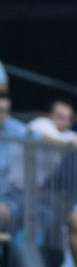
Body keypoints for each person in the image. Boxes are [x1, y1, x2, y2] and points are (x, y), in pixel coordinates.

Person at [0, 94, 28, 231]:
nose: (2, 115)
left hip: (8, 198)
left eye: (5, 111)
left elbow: (40, 137)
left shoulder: (13, 128)